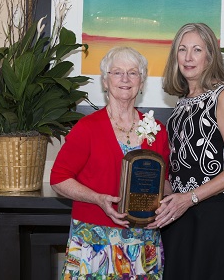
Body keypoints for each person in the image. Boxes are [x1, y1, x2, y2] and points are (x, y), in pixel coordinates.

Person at [50, 46, 171, 279]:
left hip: (142, 243)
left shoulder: (158, 131)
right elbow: (58, 179)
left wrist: (164, 205)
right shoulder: (87, 128)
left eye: (133, 73)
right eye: (116, 72)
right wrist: (97, 198)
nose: (125, 79)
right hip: (94, 241)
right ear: (105, 82)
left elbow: (164, 183)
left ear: (142, 82)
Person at [154, 23, 224, 279]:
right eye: (182, 50)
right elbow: (180, 169)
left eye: (197, 50)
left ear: (210, 56)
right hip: (181, 217)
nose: (188, 57)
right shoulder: (180, 105)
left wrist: (189, 198)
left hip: (217, 216)